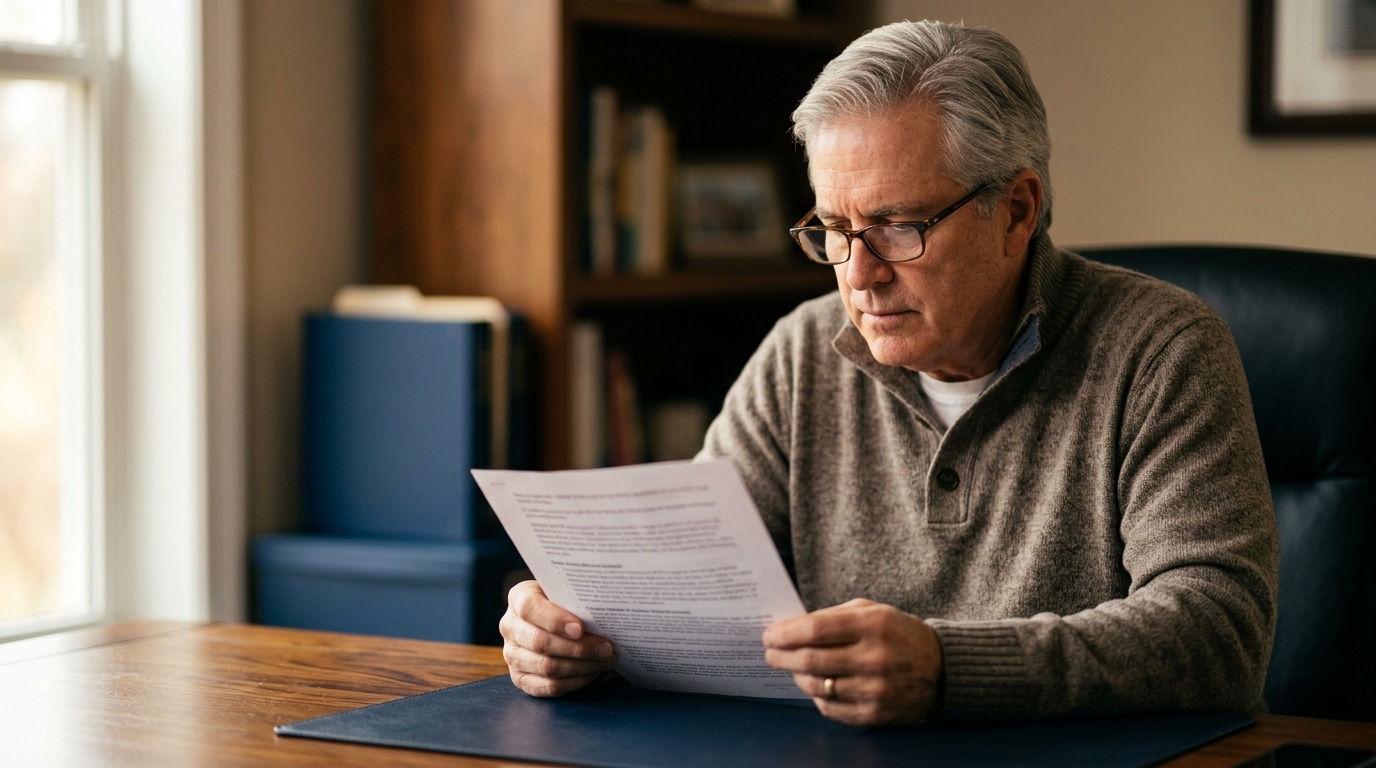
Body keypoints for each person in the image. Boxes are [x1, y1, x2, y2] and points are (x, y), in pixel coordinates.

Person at [500, 19, 1279, 727]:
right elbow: (691, 577)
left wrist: (949, 669)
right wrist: (571, 631)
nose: (858, 276)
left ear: (1016, 212)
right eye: (834, 230)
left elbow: (1218, 628)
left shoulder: (1163, 349)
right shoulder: (803, 352)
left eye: (898, 228)